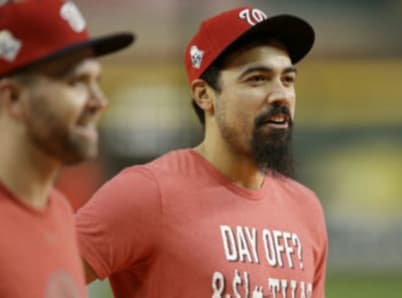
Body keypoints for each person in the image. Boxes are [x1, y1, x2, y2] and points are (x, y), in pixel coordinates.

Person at [76, 6, 327, 298]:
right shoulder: (149, 193)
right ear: (204, 95)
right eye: (257, 78)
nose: (280, 94)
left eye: (287, 79)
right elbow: (34, 276)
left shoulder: (305, 209)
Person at [0, 0, 134, 297]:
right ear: (14, 98)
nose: (99, 101)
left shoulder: (59, 212)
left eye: (96, 81)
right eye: (77, 82)